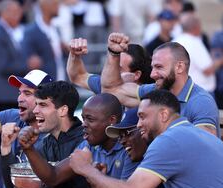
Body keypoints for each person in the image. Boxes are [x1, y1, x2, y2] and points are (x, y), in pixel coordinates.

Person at [69, 90, 223, 188]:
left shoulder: (169, 140)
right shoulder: (193, 134)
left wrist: (86, 169)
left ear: (163, 115)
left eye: (142, 117)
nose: (139, 125)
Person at [11, 94, 138, 188]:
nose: (84, 124)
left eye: (90, 119)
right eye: (83, 118)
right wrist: (29, 149)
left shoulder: (128, 150)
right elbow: (54, 176)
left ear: (112, 120)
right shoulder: (88, 146)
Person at [0, 81, 100, 188]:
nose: (36, 110)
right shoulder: (46, 142)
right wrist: (5, 148)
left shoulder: (84, 142)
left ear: (63, 110)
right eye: (36, 104)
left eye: (43, 105)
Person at [91, 32, 220, 137]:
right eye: (152, 68)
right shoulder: (155, 92)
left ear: (179, 67)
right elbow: (110, 91)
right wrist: (114, 54)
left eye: (159, 67)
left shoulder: (201, 101)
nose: (152, 74)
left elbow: (205, 146)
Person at [104, 108, 182, 188]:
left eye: (127, 133)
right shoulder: (139, 160)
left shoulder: (161, 155)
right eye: (120, 136)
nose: (122, 141)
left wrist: (90, 172)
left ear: (145, 131)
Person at [0, 0, 33, 111]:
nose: (19, 15)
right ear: (3, 13)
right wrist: (28, 65)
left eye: (19, 11)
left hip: (9, 93)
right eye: (15, 12)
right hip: (4, 94)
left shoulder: (9, 31)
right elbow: (2, 65)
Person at [67, 37, 154, 94]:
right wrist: (74, 54)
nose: (111, 71)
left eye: (118, 68)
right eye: (111, 66)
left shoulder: (149, 97)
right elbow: (77, 76)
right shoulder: (105, 85)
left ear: (136, 75)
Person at [173, 13, 223, 95]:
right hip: (199, 92)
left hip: (183, 90)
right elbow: (207, 69)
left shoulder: (176, 40)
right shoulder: (194, 42)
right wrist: (221, 61)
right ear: (196, 27)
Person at [23, 0, 65, 81]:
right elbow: (29, 62)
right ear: (45, 7)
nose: (58, 7)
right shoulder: (31, 31)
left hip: (61, 82)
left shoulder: (56, 29)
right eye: (55, 4)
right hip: (43, 86)